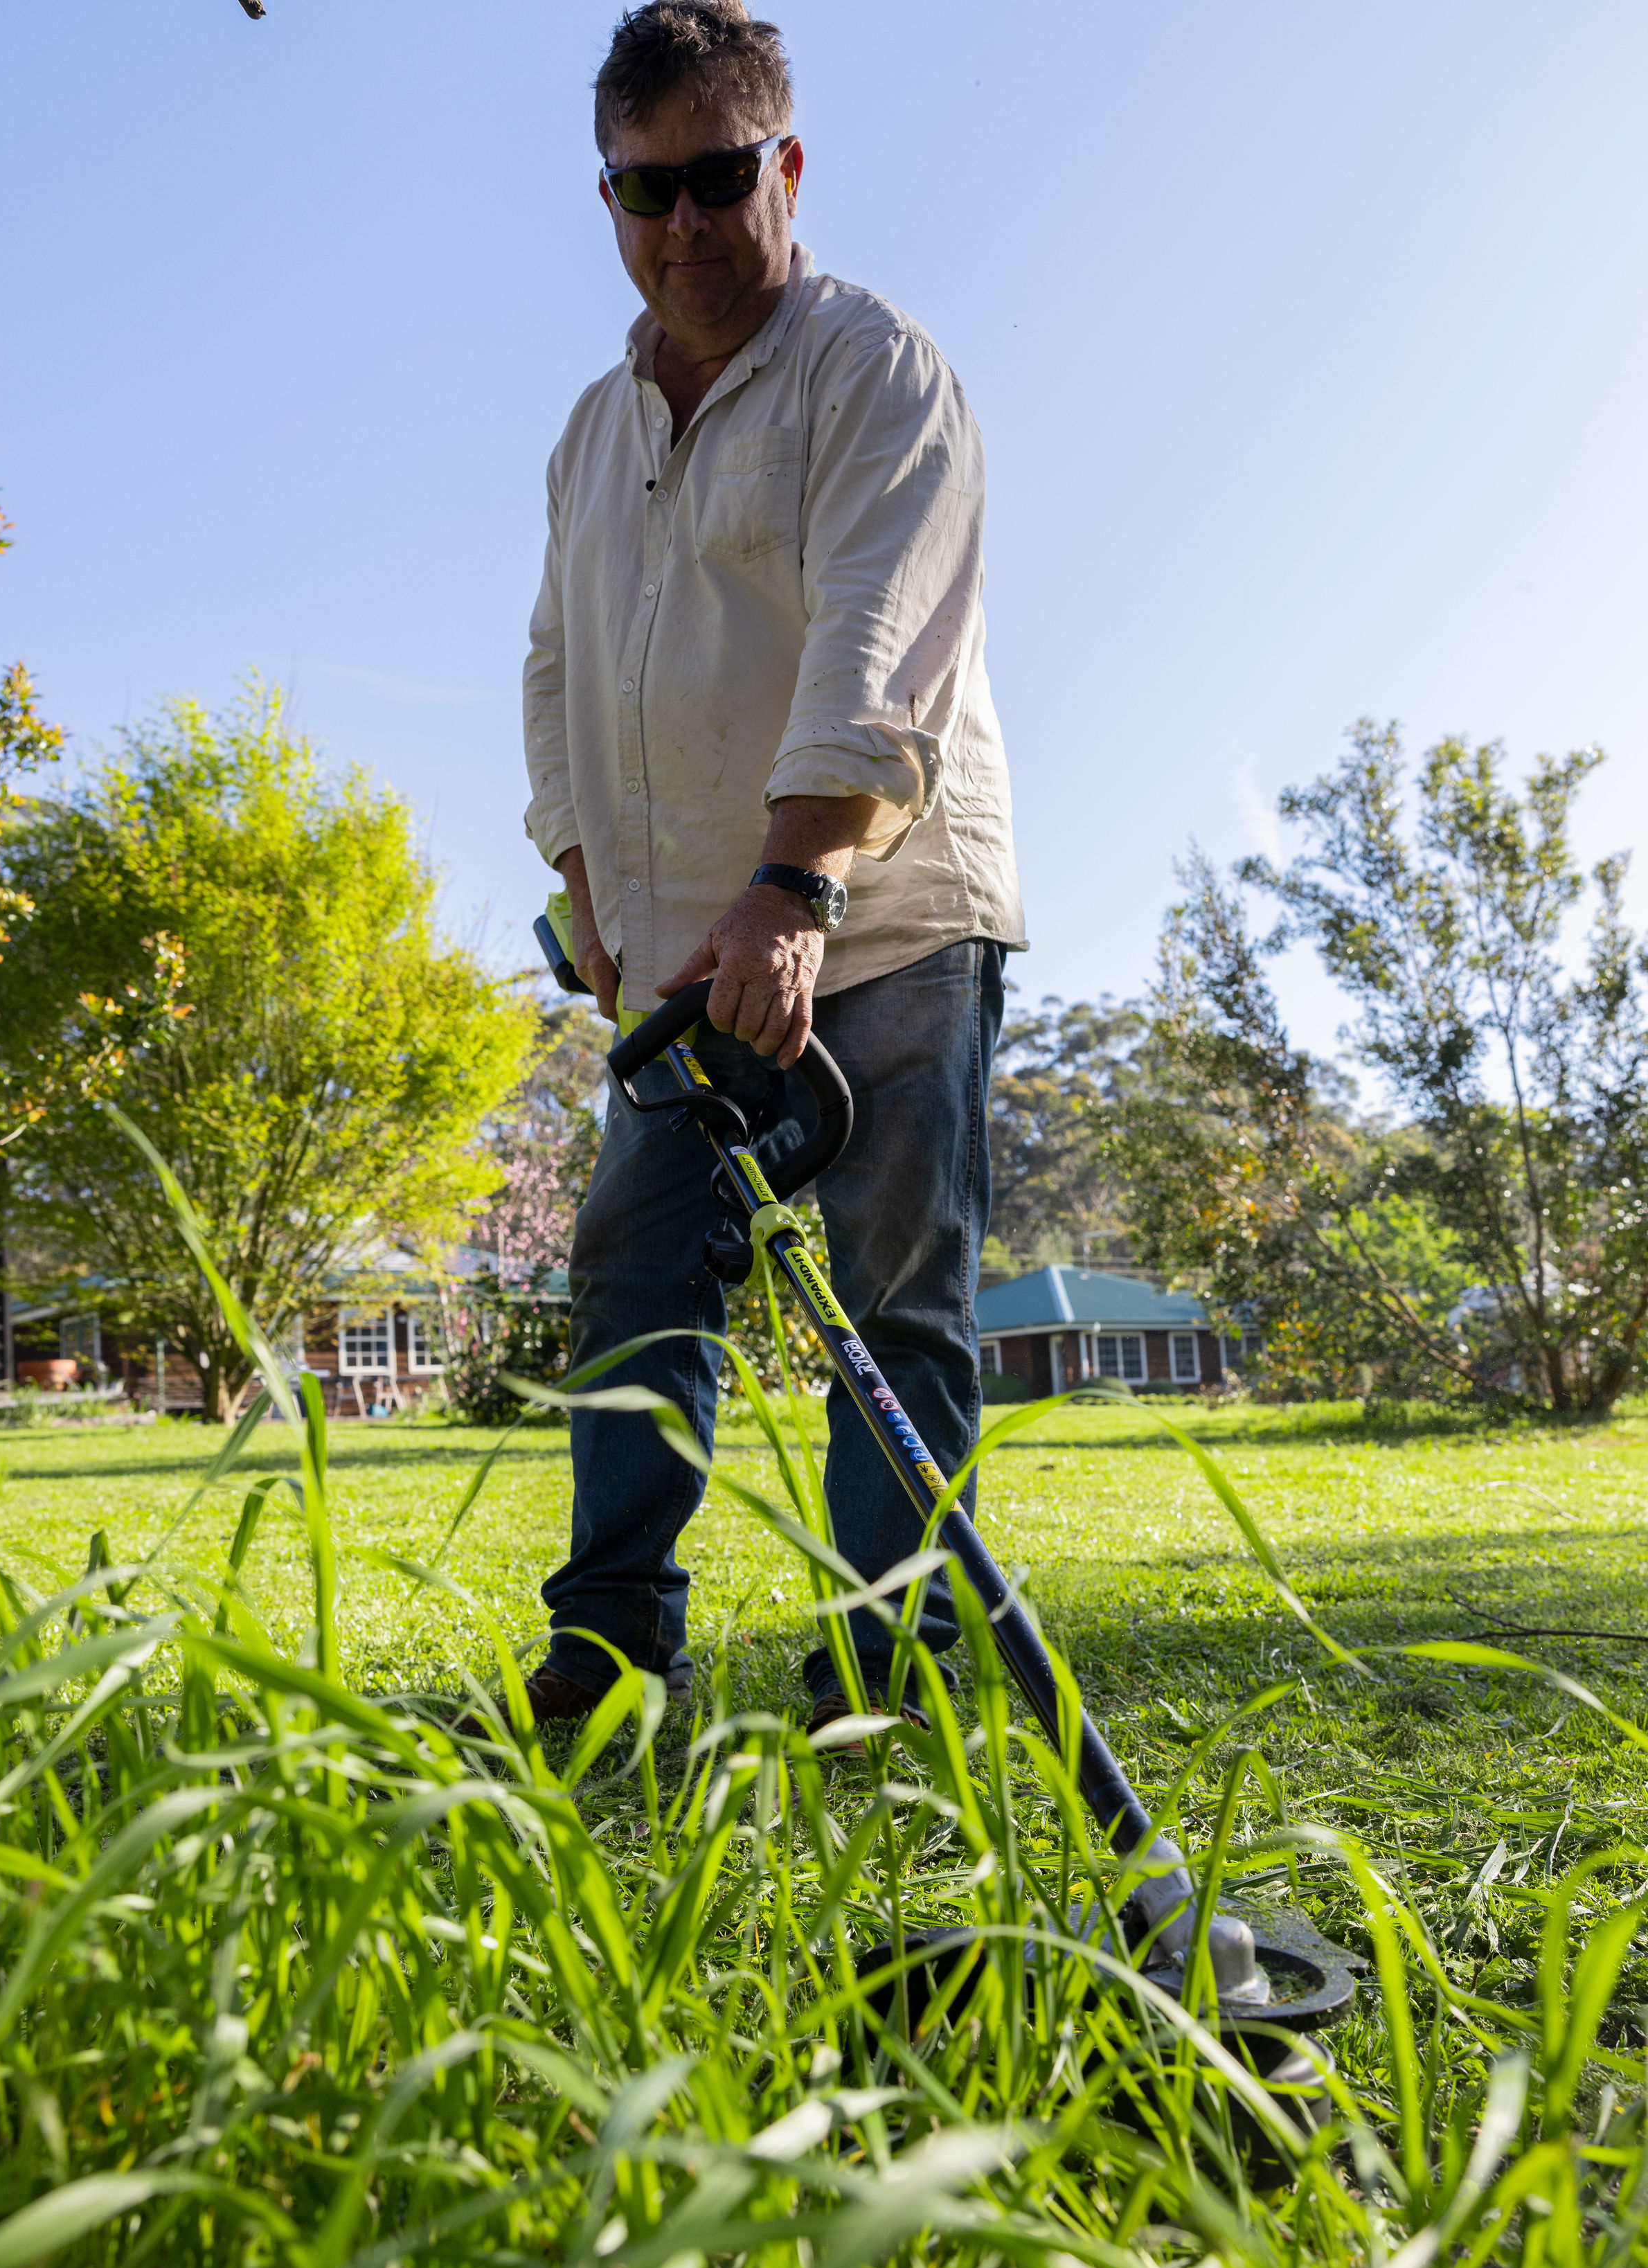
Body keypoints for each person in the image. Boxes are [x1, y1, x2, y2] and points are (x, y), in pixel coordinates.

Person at [521, 0, 1024, 1735]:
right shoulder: (594, 430)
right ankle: (609, 1662)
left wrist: (794, 885)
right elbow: (551, 667)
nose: (682, 228)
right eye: (643, 191)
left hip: (875, 923)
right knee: (637, 1285)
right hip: (677, 960)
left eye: (718, 181)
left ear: (786, 168)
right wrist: (587, 877)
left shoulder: (876, 370)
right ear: (609, 195)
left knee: (895, 1305)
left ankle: (888, 1678)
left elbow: (884, 640)